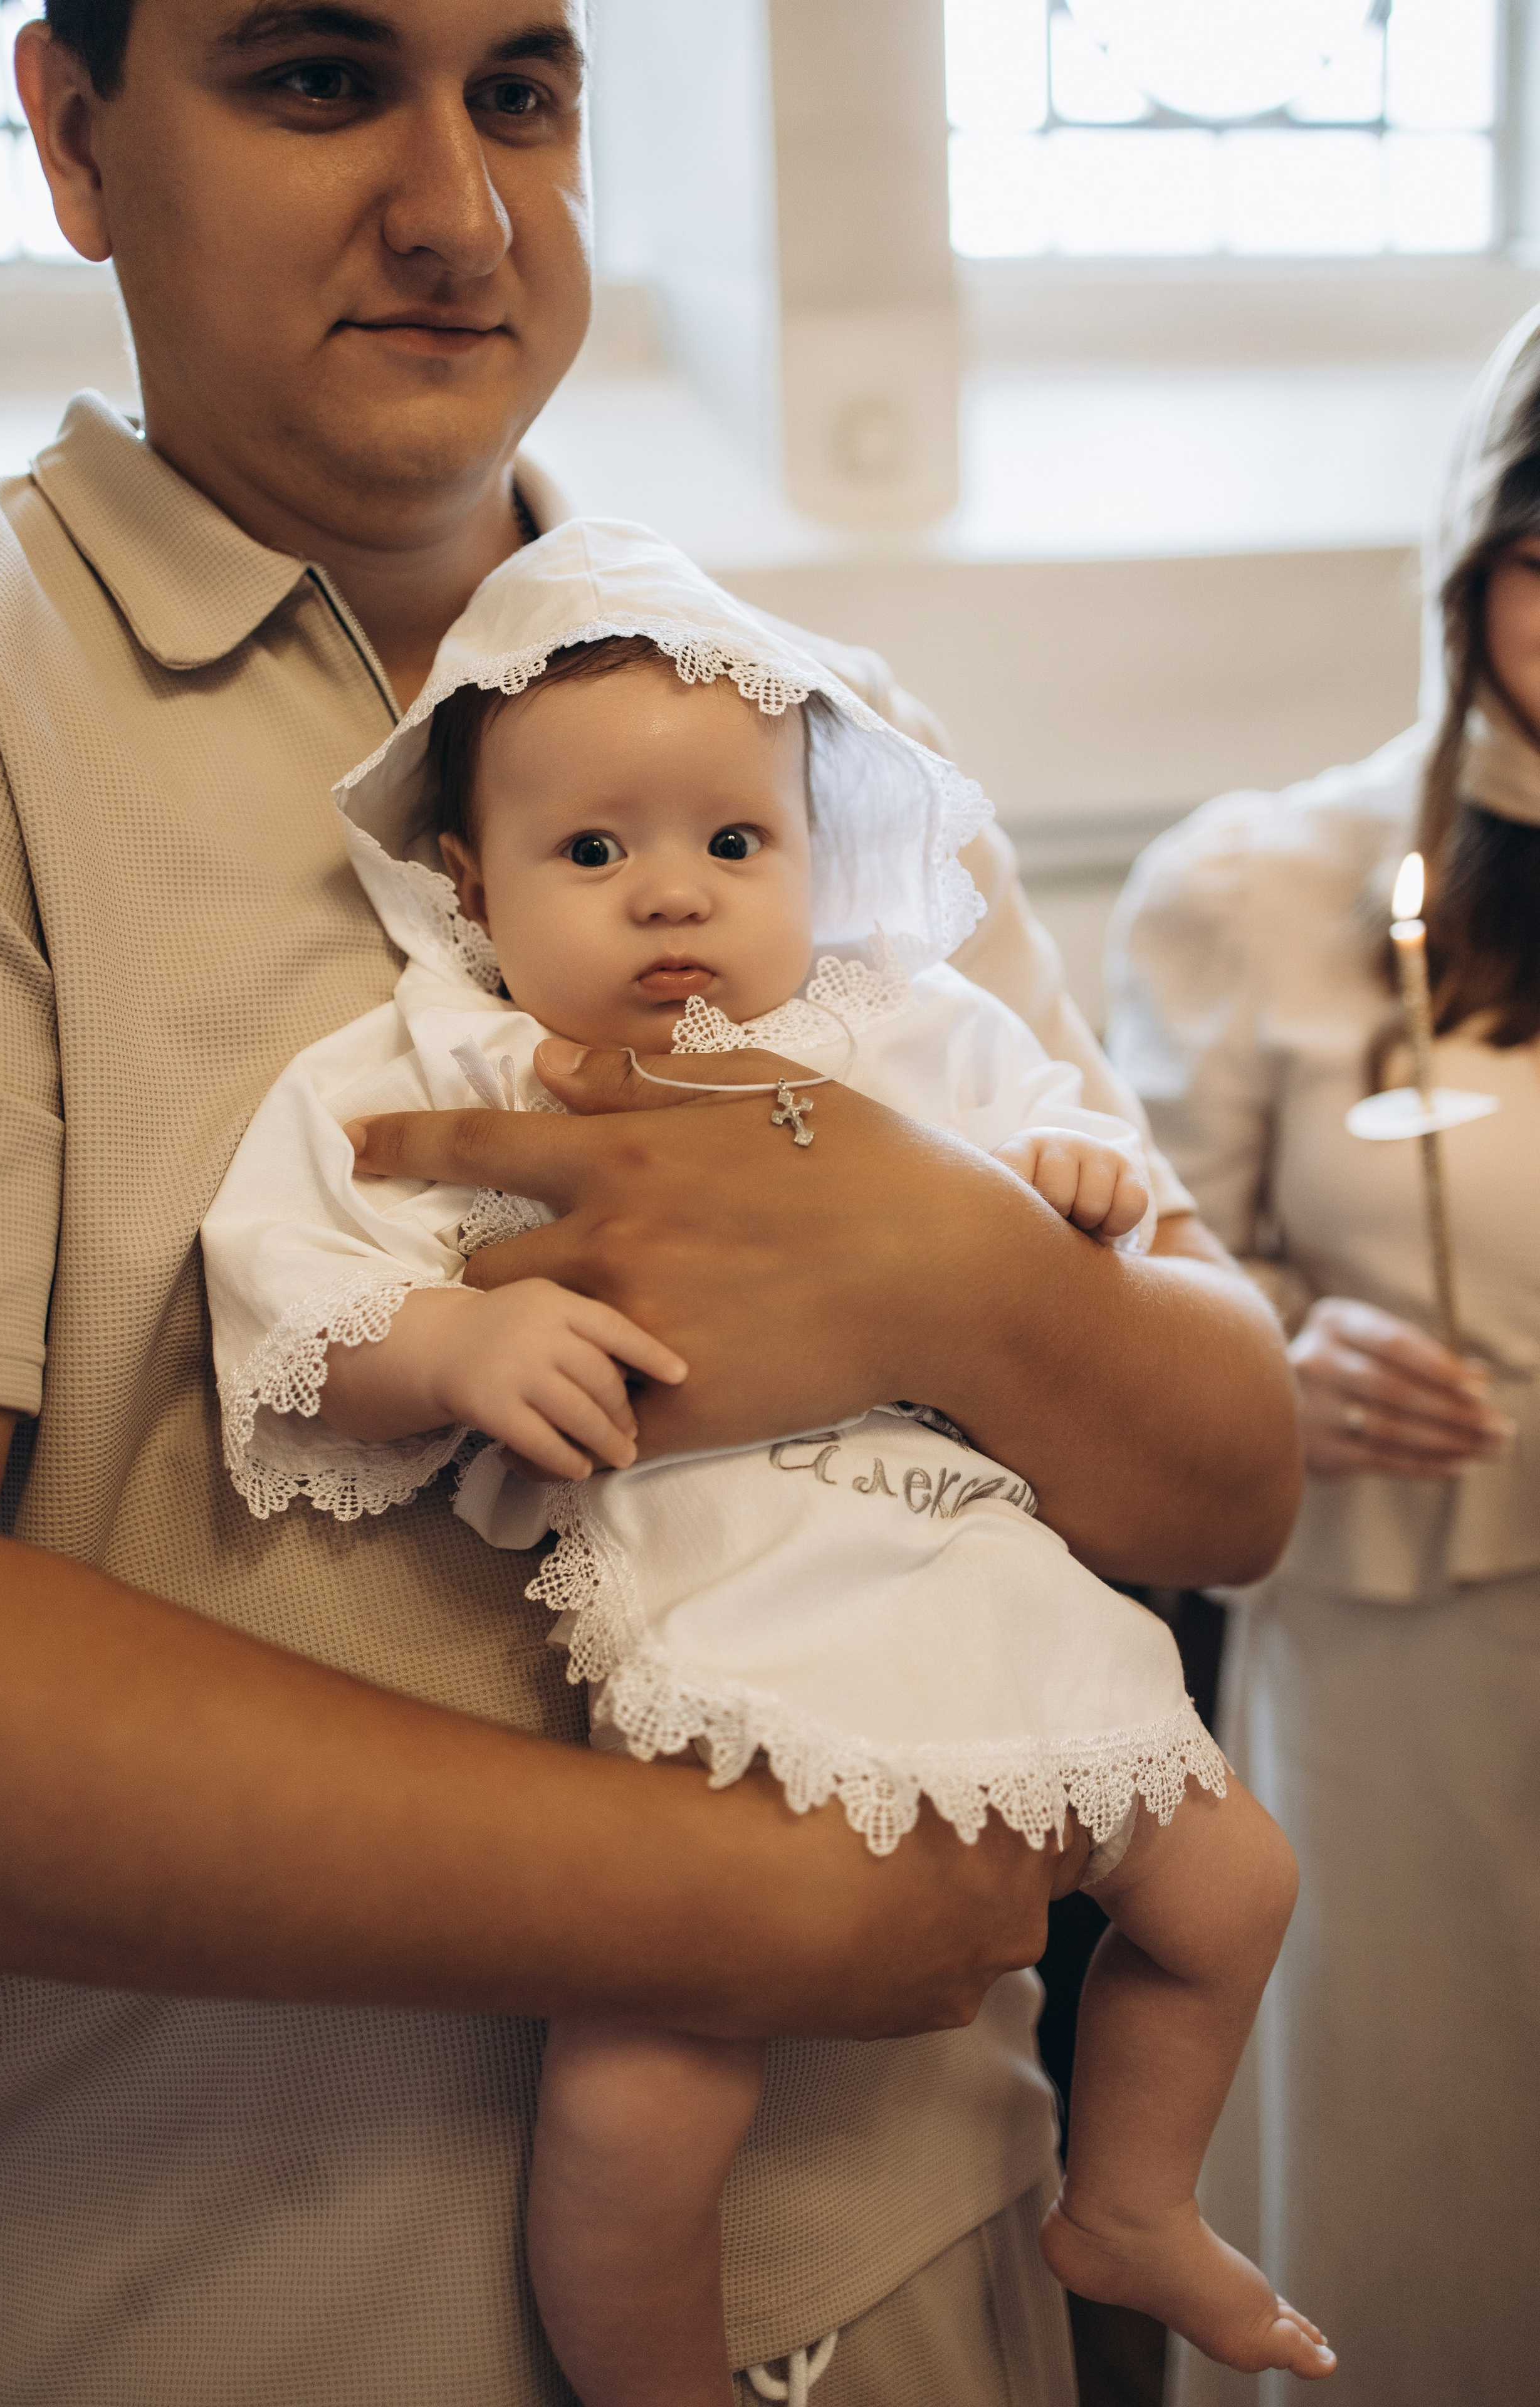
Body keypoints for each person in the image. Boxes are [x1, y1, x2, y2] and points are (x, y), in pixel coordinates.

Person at [0, 3, 1299, 2398]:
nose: (464, 214)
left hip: (924, 2267)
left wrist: (955, 1270)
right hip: (267, 2313)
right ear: (72, 132)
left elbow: (1231, 1480)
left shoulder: (786, 726)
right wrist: (738, 1905)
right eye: (319, 78)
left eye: (525, 97)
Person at [202, 520, 1333, 2407]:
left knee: (1237, 1889)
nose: (673, 896)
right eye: (593, 854)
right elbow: (290, 1291)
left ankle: (1132, 2203)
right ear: (470, 881)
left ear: (821, 852)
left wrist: (1063, 1190)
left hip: (962, 1574)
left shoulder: (902, 1022)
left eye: (736, 844)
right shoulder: (444, 1064)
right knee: (650, 2085)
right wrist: (456, 1346)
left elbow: (1067, 1174)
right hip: (735, 1621)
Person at [1105, 307, 1540, 2407]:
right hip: (1411, 1654)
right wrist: (1281, 1350)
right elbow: (1128, 1288)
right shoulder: (1257, 887)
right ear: (1475, 565)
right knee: (1419, 2174)